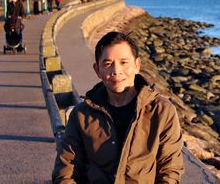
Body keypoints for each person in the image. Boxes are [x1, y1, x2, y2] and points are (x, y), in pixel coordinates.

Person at [52, 31, 184, 183]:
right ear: (97, 70)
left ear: (137, 65)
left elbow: (169, 171)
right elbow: (66, 170)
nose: (116, 71)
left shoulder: (161, 112)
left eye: (124, 62)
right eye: (107, 64)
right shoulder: (82, 115)